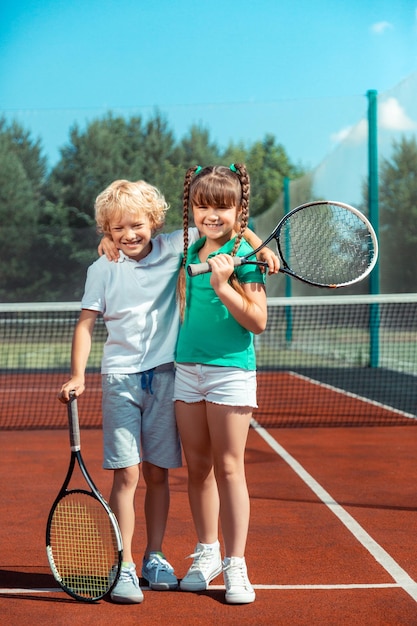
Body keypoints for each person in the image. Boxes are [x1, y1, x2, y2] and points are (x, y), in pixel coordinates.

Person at [59, 178, 278, 605]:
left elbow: (228, 225)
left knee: (160, 474)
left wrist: (259, 246)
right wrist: (78, 374)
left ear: (155, 223)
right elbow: (85, 322)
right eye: (117, 228)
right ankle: (122, 564)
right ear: (106, 229)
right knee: (129, 474)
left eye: (137, 225)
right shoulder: (102, 267)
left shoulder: (177, 246)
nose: (129, 235)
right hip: (122, 379)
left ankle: (155, 556)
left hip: (166, 376)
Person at [174, 164, 272, 605]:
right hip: (187, 370)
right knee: (197, 468)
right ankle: (207, 552)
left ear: (238, 210)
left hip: (230, 371)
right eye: (203, 205)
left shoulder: (247, 258)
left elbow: (258, 321)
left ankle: (236, 564)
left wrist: (224, 282)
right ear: (192, 208)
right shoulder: (189, 248)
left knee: (230, 467)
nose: (211, 214)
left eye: (221, 206)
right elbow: (136, 243)